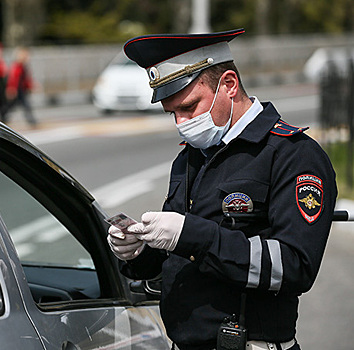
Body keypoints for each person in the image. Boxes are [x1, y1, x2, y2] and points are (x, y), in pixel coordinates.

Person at [106, 29, 337, 350]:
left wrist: (193, 237)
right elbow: (176, 257)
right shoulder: (190, 157)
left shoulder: (292, 154)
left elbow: (295, 267)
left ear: (228, 85)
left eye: (189, 107)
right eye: (173, 113)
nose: (181, 122)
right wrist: (139, 250)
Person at [5, 47, 38, 127]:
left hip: (21, 89)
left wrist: (30, 86)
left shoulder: (23, 66)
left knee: (13, 106)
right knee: (23, 105)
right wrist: (12, 88)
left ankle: (4, 118)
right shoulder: (17, 66)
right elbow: (14, 78)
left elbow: (26, 79)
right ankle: (32, 121)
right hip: (18, 90)